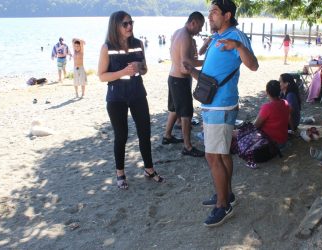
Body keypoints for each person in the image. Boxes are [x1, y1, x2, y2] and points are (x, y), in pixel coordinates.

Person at [184, 0, 259, 227]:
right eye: (210, 12)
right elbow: (214, 74)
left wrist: (237, 47)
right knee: (222, 153)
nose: (210, 16)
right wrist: (193, 70)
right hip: (212, 103)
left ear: (227, 15)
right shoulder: (216, 37)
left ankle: (223, 205)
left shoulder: (237, 36)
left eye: (214, 12)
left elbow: (254, 65)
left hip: (221, 106)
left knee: (212, 155)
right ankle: (226, 195)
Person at [98, 11, 163, 190]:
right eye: (125, 24)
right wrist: (122, 73)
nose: (129, 27)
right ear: (115, 26)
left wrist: (139, 67)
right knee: (121, 136)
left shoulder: (138, 44)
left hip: (137, 94)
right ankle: (120, 173)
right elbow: (102, 76)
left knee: (145, 132)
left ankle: (149, 169)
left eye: (131, 23)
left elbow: (145, 69)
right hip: (116, 98)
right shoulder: (107, 47)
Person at [163, 11, 205, 157]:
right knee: (186, 114)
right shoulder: (186, 37)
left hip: (172, 76)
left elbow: (178, 57)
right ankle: (187, 147)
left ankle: (167, 136)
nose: (200, 30)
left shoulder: (177, 32)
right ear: (193, 22)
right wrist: (206, 62)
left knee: (174, 108)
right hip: (179, 80)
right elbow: (186, 64)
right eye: (199, 27)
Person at [254, 80, 290, 145]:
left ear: (267, 92)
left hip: (271, 143)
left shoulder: (267, 107)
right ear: (280, 91)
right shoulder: (285, 102)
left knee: (240, 132)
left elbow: (255, 126)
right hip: (283, 139)